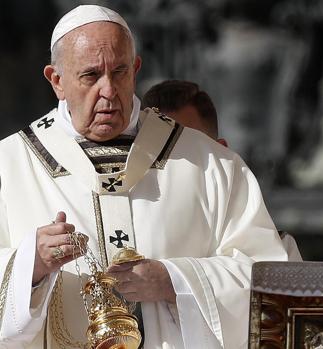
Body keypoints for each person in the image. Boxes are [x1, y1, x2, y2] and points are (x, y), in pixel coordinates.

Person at [0, 5, 289, 349]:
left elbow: (270, 282)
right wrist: (29, 266)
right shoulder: (10, 166)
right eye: (91, 76)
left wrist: (175, 281)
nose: (108, 90)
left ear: (136, 69)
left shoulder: (210, 164)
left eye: (119, 72)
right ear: (57, 80)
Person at [143, 80, 303, 262]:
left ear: (222, 154)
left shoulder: (276, 255)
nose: (171, 166)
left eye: (190, 149)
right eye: (159, 152)